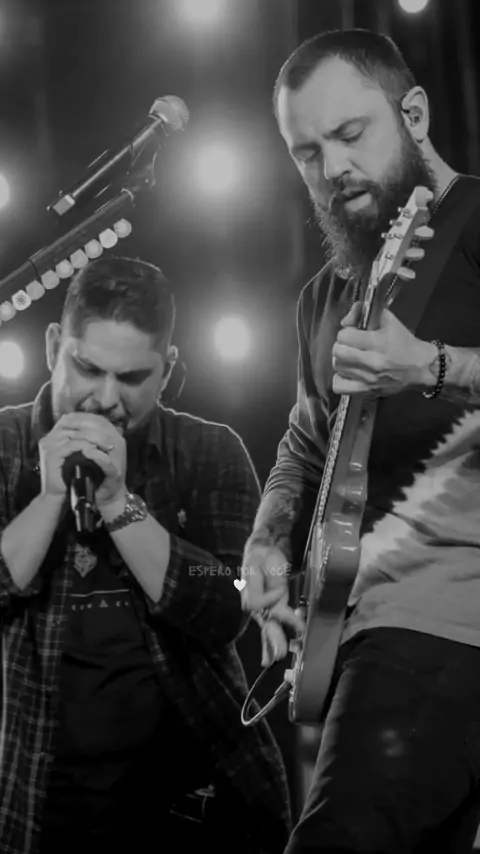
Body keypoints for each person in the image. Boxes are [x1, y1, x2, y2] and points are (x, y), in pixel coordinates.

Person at [241, 28, 480, 854]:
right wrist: (268, 539)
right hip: (358, 635)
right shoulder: (323, 297)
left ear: (414, 114)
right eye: (307, 153)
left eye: (351, 134)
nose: (332, 168)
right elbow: (304, 445)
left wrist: (431, 365)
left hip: (446, 614)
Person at [0, 255, 291, 854]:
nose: (106, 398)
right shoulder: (3, 445)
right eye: (87, 369)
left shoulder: (210, 452)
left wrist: (118, 503)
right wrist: (51, 497)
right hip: (28, 801)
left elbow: (226, 602)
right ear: (54, 346)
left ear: (168, 371)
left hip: (186, 809)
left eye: (132, 378)